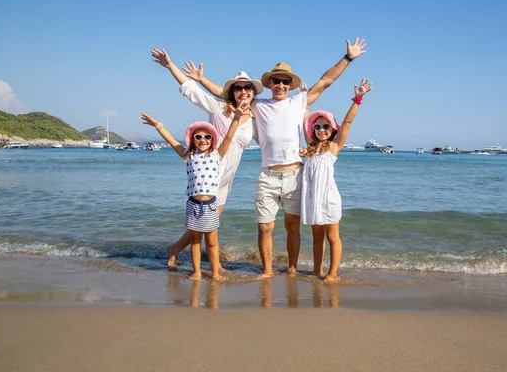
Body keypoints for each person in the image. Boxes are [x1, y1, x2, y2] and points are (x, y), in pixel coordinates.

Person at [187, 37, 368, 277]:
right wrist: (200, 80)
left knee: (292, 227)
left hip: (294, 174)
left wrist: (348, 58)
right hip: (267, 175)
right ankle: (267, 271)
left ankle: (292, 269)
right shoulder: (257, 105)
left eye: (285, 81)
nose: (280, 85)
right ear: (270, 83)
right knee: (265, 227)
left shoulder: (298, 101)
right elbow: (226, 94)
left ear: (290, 85)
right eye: (277, 81)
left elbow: (326, 81)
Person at [151, 48, 262, 267]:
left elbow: (272, 139)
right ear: (232, 92)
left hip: (227, 178)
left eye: (247, 87)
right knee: (207, 225)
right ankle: (214, 267)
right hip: (208, 175)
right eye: (238, 88)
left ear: (252, 92)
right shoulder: (219, 107)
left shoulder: (256, 119)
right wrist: (170, 65)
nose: (243, 91)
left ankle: (175, 249)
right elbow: (191, 90)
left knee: (208, 224)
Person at [141, 103, 249, 280]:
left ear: (212, 139)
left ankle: (215, 272)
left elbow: (229, 137)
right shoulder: (188, 156)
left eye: (207, 136)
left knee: (212, 243)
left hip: (211, 205)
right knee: (196, 241)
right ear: (193, 140)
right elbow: (172, 141)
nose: (203, 140)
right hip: (193, 205)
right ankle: (197, 271)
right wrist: (158, 126)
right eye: (198, 137)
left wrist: (236, 118)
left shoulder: (216, 156)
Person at [301, 78, 372, 282]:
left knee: (332, 237)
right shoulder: (310, 148)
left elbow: (348, 122)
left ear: (333, 130)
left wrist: (358, 98)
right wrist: (303, 101)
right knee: (316, 237)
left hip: (329, 199)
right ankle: (316, 270)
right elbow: (306, 116)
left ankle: (332, 274)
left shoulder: (334, 147)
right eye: (318, 126)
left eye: (326, 126)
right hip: (312, 199)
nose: (322, 129)